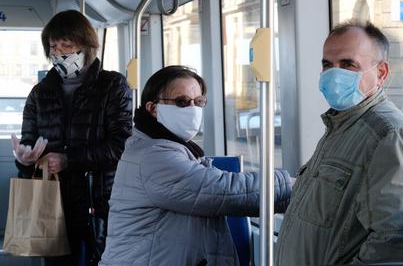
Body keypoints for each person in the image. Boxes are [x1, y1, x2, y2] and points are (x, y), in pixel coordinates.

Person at [99, 65, 292, 266]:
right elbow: (222, 190)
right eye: (181, 102)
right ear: (153, 108)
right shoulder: (153, 156)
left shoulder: (172, 148)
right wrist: (291, 185)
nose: (192, 109)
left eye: (198, 102)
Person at [275, 20, 403, 265]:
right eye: (327, 64)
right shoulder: (341, 126)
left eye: (348, 64)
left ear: (381, 73)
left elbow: (392, 241)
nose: (334, 73)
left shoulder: (390, 134)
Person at [11, 10, 132, 266]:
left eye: (67, 44)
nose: (59, 53)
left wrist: (68, 160)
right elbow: (28, 141)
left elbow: (122, 145)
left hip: (100, 201)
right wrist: (24, 159)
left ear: (87, 46)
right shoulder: (39, 93)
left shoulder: (112, 85)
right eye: (54, 46)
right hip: (52, 202)